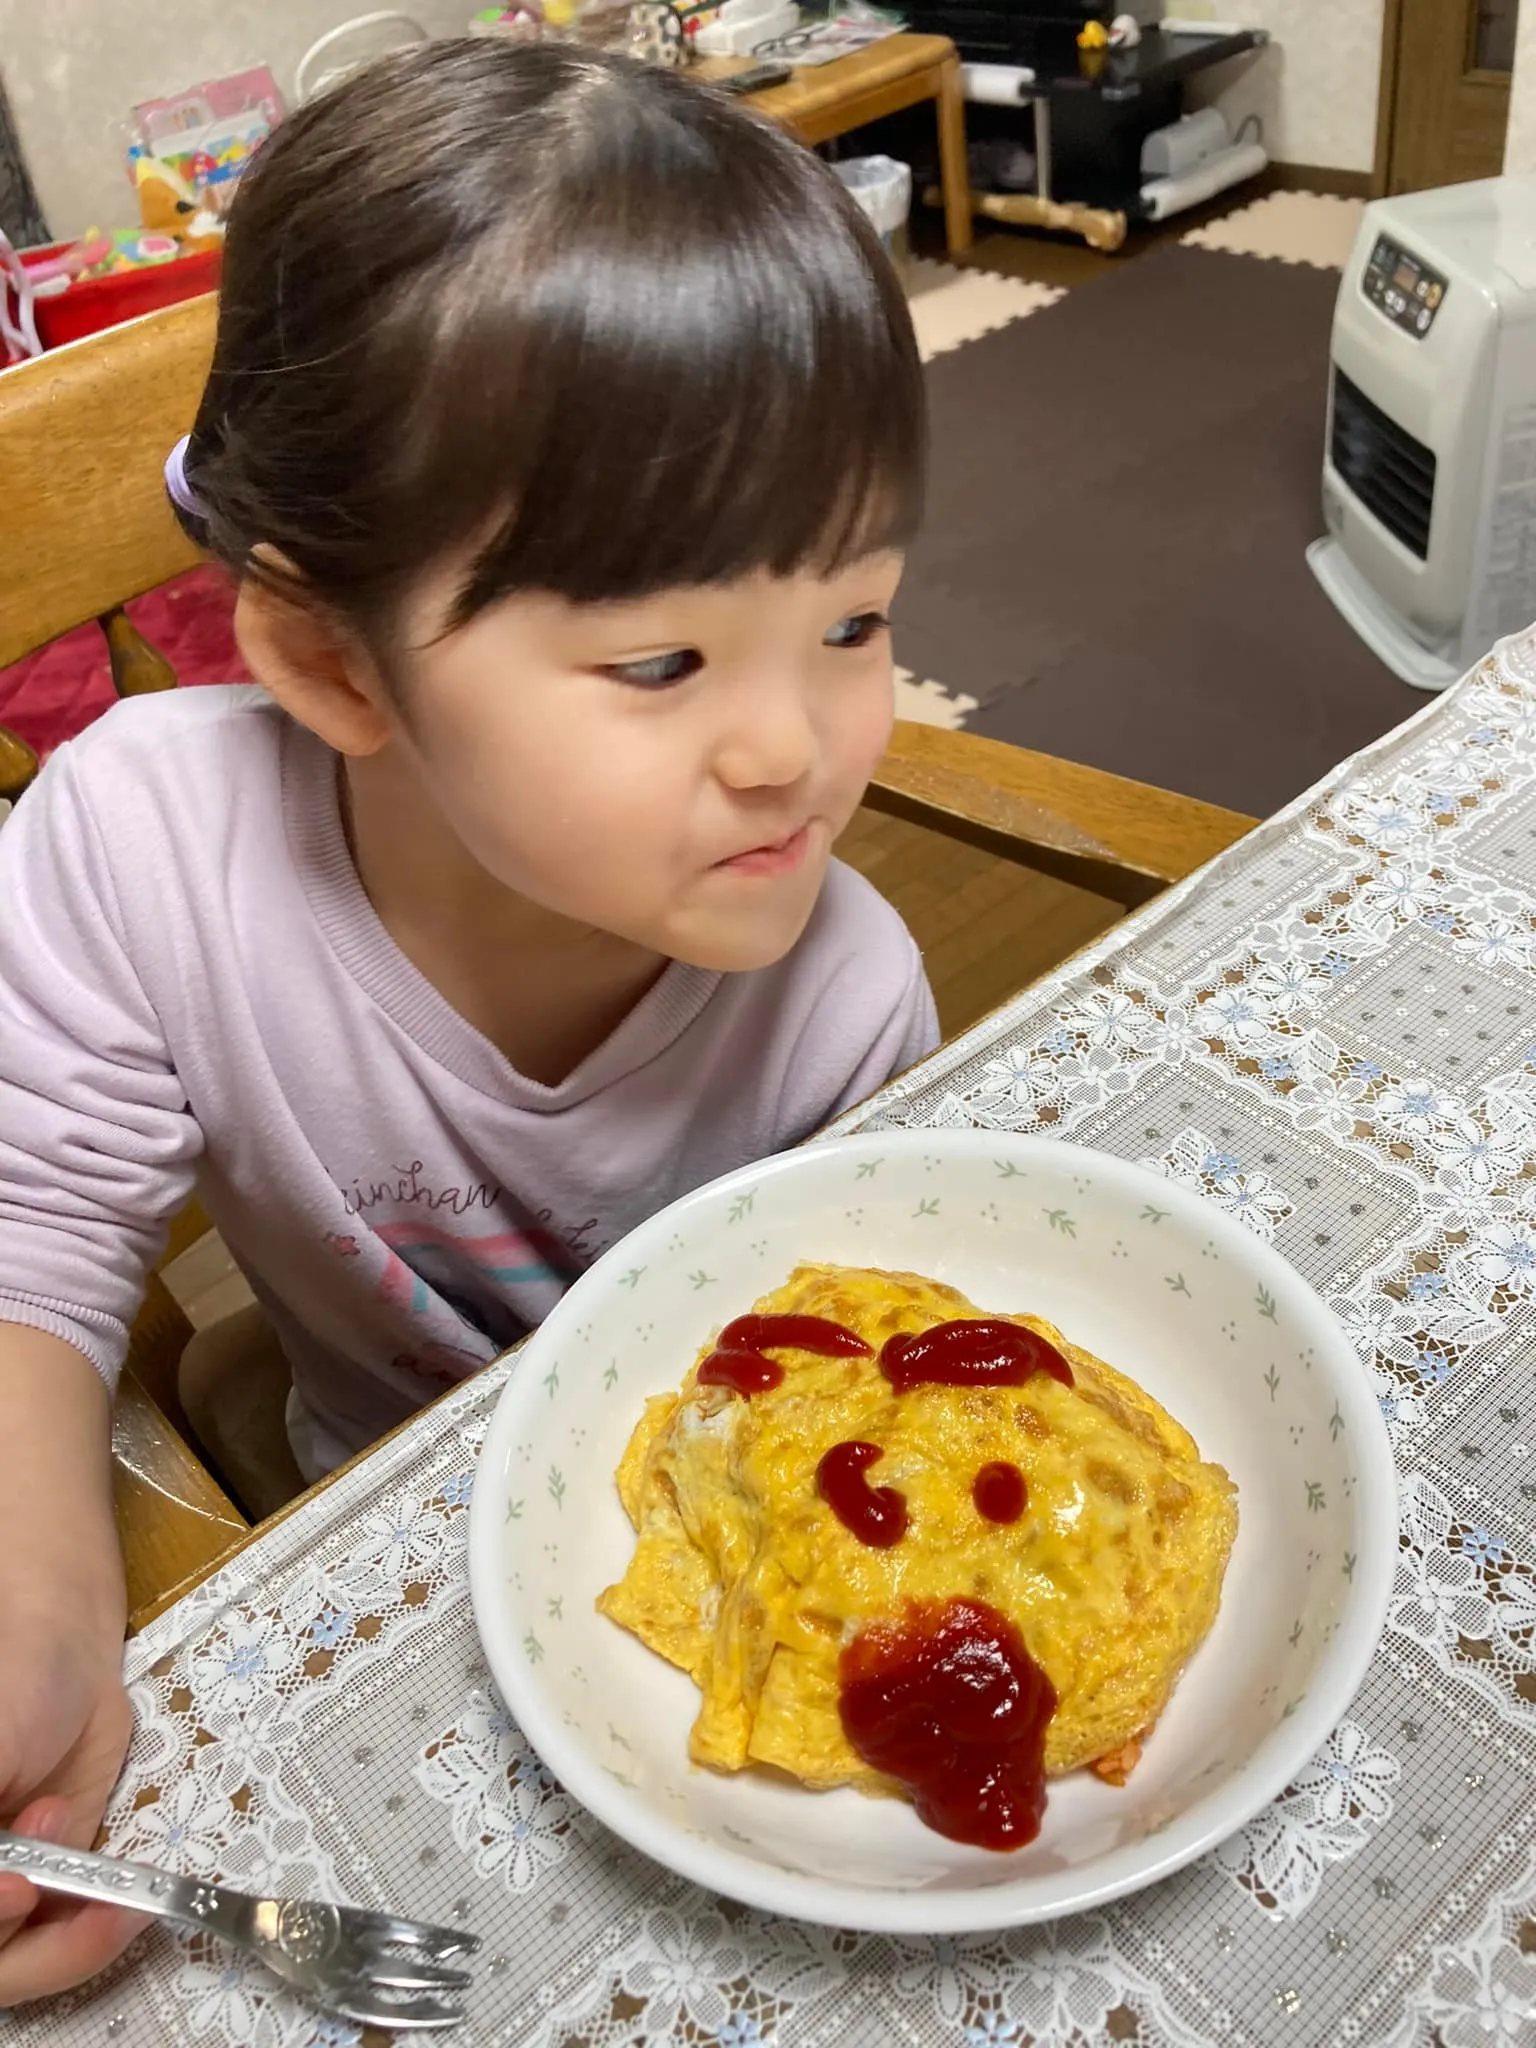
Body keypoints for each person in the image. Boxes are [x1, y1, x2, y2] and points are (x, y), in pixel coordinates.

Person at [0, 36, 936, 2005]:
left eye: (854, 620)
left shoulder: (842, 1000)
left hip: (678, 1597)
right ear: (334, 662)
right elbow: (35, 1234)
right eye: (664, 661)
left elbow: (830, 1421)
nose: (797, 747)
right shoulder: (144, 846)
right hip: (360, 1511)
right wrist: (43, 1614)